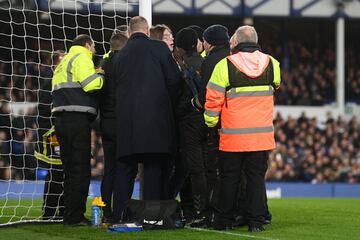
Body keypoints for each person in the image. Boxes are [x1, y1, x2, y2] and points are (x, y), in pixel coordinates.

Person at [204, 25, 281, 232]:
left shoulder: (225, 65)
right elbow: (275, 86)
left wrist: (211, 124)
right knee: (256, 180)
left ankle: (224, 221)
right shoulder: (272, 63)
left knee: (230, 179)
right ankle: (256, 222)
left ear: (236, 42)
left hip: (232, 136)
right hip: (261, 137)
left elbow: (212, 100)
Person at [111, 16, 180, 222]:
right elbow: (174, 81)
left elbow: (114, 88)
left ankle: (119, 216)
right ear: (147, 31)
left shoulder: (120, 56)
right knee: (152, 168)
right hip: (155, 121)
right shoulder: (159, 49)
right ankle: (151, 217)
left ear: (130, 32)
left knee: (124, 169)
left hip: (127, 123)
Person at [52, 34, 104, 226]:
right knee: (80, 169)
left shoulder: (64, 60)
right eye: (94, 46)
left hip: (61, 119)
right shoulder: (81, 57)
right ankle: (75, 217)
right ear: (87, 45)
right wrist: (101, 75)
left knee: (70, 170)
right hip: (76, 118)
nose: (95, 51)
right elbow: (91, 85)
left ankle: (69, 215)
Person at [172, 27, 208, 226]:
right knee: (203, 168)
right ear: (196, 44)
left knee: (194, 169)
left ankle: (197, 211)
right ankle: (203, 209)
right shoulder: (204, 64)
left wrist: (183, 109)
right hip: (206, 121)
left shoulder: (183, 66)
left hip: (188, 123)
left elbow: (180, 99)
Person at [97, 33, 129, 223]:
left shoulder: (104, 64)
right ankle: (120, 211)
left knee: (109, 169)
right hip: (123, 121)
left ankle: (106, 212)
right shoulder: (127, 64)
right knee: (123, 168)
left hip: (106, 122)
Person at [34, 50, 65, 220]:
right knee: (55, 173)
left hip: (64, 134)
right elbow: (44, 113)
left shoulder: (63, 82)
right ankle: (49, 212)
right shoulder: (49, 85)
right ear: (54, 65)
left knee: (64, 173)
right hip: (53, 136)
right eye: (62, 62)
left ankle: (62, 210)